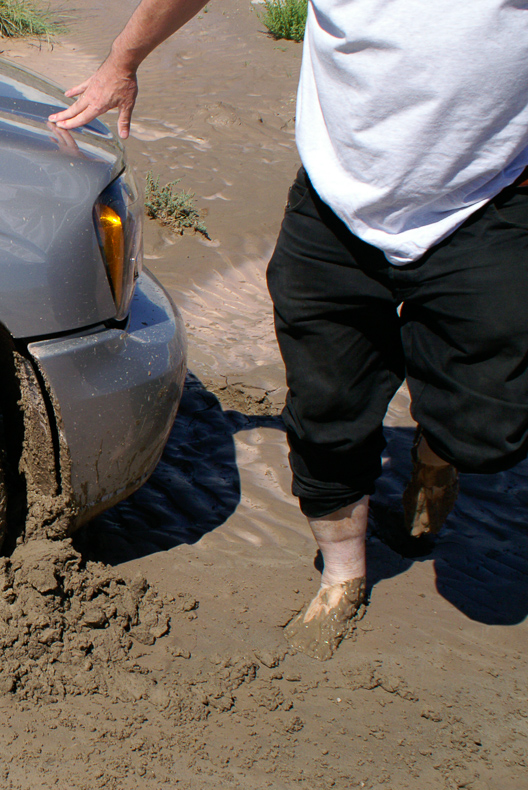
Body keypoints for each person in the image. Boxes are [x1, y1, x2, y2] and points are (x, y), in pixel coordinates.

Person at [51, 0, 528, 660]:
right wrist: (123, 61)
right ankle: (343, 578)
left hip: (488, 197)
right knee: (325, 403)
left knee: (491, 423)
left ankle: (435, 455)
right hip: (339, 202)